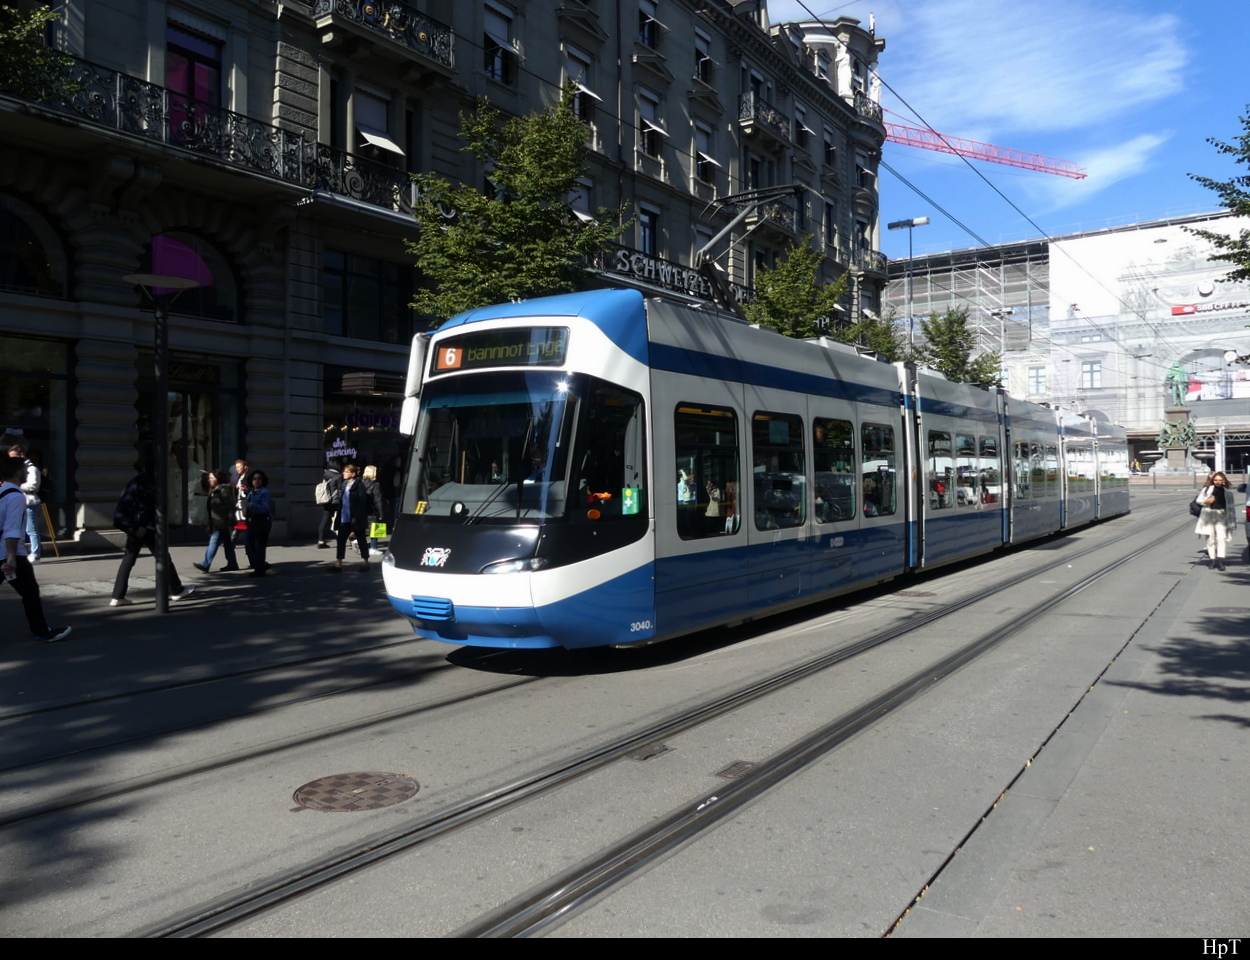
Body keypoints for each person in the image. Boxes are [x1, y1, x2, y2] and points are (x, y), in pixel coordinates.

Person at [2, 451, 70, 642]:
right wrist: (12, 557)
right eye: (24, 470)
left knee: (29, 592)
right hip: (10, 553)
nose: (27, 472)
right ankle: (41, 631)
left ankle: (41, 629)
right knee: (30, 592)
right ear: (17, 473)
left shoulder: (1, 492)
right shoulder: (16, 497)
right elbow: (12, 529)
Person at [110, 464, 194, 606]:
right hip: (143, 526)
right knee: (163, 556)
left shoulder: (134, 480)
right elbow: (147, 504)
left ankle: (117, 596)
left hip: (128, 523)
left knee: (129, 559)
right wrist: (142, 524)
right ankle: (176, 589)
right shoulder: (153, 482)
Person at [194, 469, 239, 573]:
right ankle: (232, 563)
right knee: (227, 543)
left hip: (222, 522)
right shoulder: (213, 490)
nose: (209, 479)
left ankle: (206, 564)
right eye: (209, 478)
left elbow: (231, 506)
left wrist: (232, 521)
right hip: (216, 521)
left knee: (214, 542)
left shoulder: (224, 490)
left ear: (218, 479)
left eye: (211, 478)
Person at [1193, 471, 1237, 571]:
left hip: (1221, 515)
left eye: (1220, 480)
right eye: (1216, 480)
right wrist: (1206, 501)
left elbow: (1231, 508)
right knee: (1210, 540)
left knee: (1221, 538)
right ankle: (1213, 560)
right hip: (1208, 516)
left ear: (1224, 481)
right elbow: (1198, 500)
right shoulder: (1207, 489)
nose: (1217, 482)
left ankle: (1220, 560)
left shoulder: (1228, 493)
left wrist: (1233, 522)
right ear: (1213, 480)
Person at [331, 463, 371, 572]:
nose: (343, 473)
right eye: (344, 471)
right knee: (340, 540)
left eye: (346, 472)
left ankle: (366, 562)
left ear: (353, 474)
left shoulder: (359, 485)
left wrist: (357, 516)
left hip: (355, 518)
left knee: (361, 539)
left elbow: (362, 502)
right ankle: (338, 563)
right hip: (344, 517)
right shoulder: (344, 485)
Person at [6, 442, 41, 563]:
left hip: (29, 502)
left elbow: (33, 485)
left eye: (14, 457)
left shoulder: (31, 469)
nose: (12, 460)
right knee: (21, 530)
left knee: (31, 530)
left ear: (21, 455)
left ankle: (35, 554)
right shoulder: (16, 470)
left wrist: (16, 485)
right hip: (21, 502)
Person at [244, 470, 273, 576]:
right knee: (249, 545)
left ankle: (259, 570)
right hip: (251, 522)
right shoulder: (251, 493)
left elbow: (265, 508)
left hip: (262, 522)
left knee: (260, 547)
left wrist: (250, 505)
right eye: (254, 479)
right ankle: (260, 565)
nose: (257, 481)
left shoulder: (264, 492)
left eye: (259, 478)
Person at [316, 459, 342, 548]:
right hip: (335, 501)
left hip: (326, 499)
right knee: (339, 520)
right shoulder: (338, 476)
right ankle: (341, 539)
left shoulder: (325, 474)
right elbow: (340, 490)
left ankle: (320, 540)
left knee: (325, 520)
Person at [361, 464, 386, 557]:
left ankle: (361, 546)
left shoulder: (359, 482)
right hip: (372, 510)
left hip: (361, 510)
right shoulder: (375, 484)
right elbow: (378, 500)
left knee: (362, 529)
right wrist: (381, 513)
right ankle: (373, 548)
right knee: (374, 528)